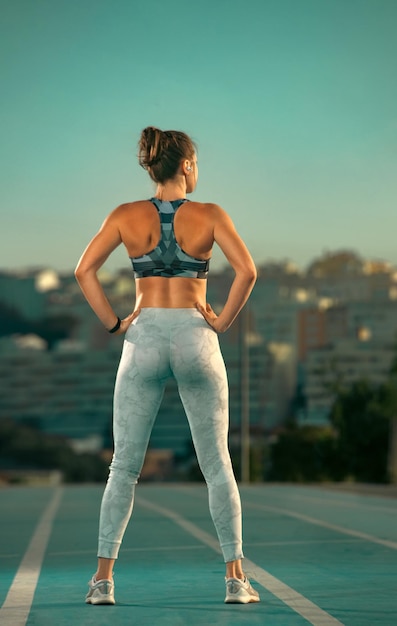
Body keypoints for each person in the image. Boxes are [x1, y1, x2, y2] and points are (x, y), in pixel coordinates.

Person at [75, 126, 259, 605]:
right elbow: (248, 271)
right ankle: (236, 580)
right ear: (185, 165)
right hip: (196, 334)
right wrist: (221, 324)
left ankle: (102, 581)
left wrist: (116, 325)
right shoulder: (211, 214)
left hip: (146, 336)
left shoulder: (124, 215)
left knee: (124, 467)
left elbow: (83, 271)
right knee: (217, 465)